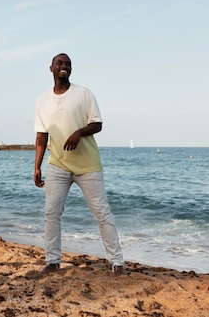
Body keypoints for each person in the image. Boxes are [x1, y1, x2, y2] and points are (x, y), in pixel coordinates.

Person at [33, 53, 125, 275]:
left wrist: (79, 132)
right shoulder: (42, 100)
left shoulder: (83, 94)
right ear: (51, 68)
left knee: (102, 213)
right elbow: (41, 136)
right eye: (60, 64)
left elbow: (97, 124)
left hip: (88, 165)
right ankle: (53, 261)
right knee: (51, 213)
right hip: (58, 165)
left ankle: (117, 262)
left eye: (67, 64)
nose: (64, 67)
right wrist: (37, 166)